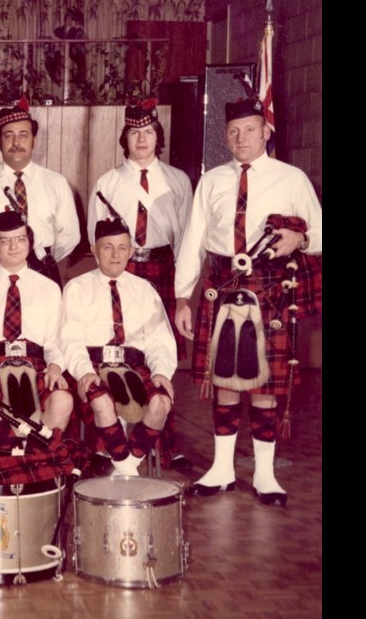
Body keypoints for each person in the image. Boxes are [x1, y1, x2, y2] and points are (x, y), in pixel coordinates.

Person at [174, 97, 322, 506]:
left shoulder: (292, 179)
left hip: (271, 286)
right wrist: (182, 297)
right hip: (221, 282)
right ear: (226, 136)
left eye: (251, 129)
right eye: (234, 131)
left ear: (266, 131)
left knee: (264, 386)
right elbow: (193, 239)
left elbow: (321, 233)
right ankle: (221, 469)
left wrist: (301, 240)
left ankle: (265, 474)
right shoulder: (212, 180)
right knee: (223, 380)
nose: (242, 138)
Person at [87, 98, 192, 466]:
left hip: (162, 267)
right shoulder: (108, 182)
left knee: (160, 351)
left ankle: (167, 439)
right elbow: (94, 236)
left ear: (157, 136)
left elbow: (186, 237)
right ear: (125, 138)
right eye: (134, 132)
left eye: (148, 132)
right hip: (122, 266)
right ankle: (108, 436)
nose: (142, 139)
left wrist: (182, 290)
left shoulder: (178, 180)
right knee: (116, 346)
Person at [61, 218, 177, 476]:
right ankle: (129, 473)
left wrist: (160, 371)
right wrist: (84, 372)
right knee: (101, 401)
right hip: (94, 365)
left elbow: (159, 338)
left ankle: (124, 467)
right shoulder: (77, 288)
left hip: (134, 367)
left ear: (132, 251)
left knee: (161, 404)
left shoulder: (145, 289)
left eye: (123, 247)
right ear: (93, 249)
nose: (116, 255)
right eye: (107, 247)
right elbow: (70, 338)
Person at [0, 210, 73, 442]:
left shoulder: (49, 288)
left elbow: (54, 340)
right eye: (5, 240)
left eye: (20, 239)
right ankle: (4, 464)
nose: (13, 247)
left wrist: (55, 367)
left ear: (30, 243)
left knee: (63, 400)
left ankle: (38, 463)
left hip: (36, 364)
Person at [0, 96, 80, 285]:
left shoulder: (56, 183)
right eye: (8, 135)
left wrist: (40, 257)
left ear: (34, 140)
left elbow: (70, 236)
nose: (16, 142)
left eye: (23, 135)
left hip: (40, 268)